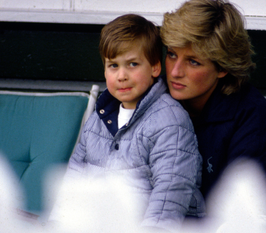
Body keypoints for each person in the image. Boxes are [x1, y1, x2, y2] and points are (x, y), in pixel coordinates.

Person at [49, 14, 204, 232]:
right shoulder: (98, 118)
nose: (121, 75)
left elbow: (171, 188)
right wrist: (59, 222)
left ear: (155, 68)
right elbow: (75, 175)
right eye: (113, 65)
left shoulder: (170, 121)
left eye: (132, 64)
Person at [160, 0, 266, 225]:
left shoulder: (251, 118)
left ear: (222, 68)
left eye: (193, 62)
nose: (175, 71)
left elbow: (242, 214)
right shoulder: (160, 98)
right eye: (171, 54)